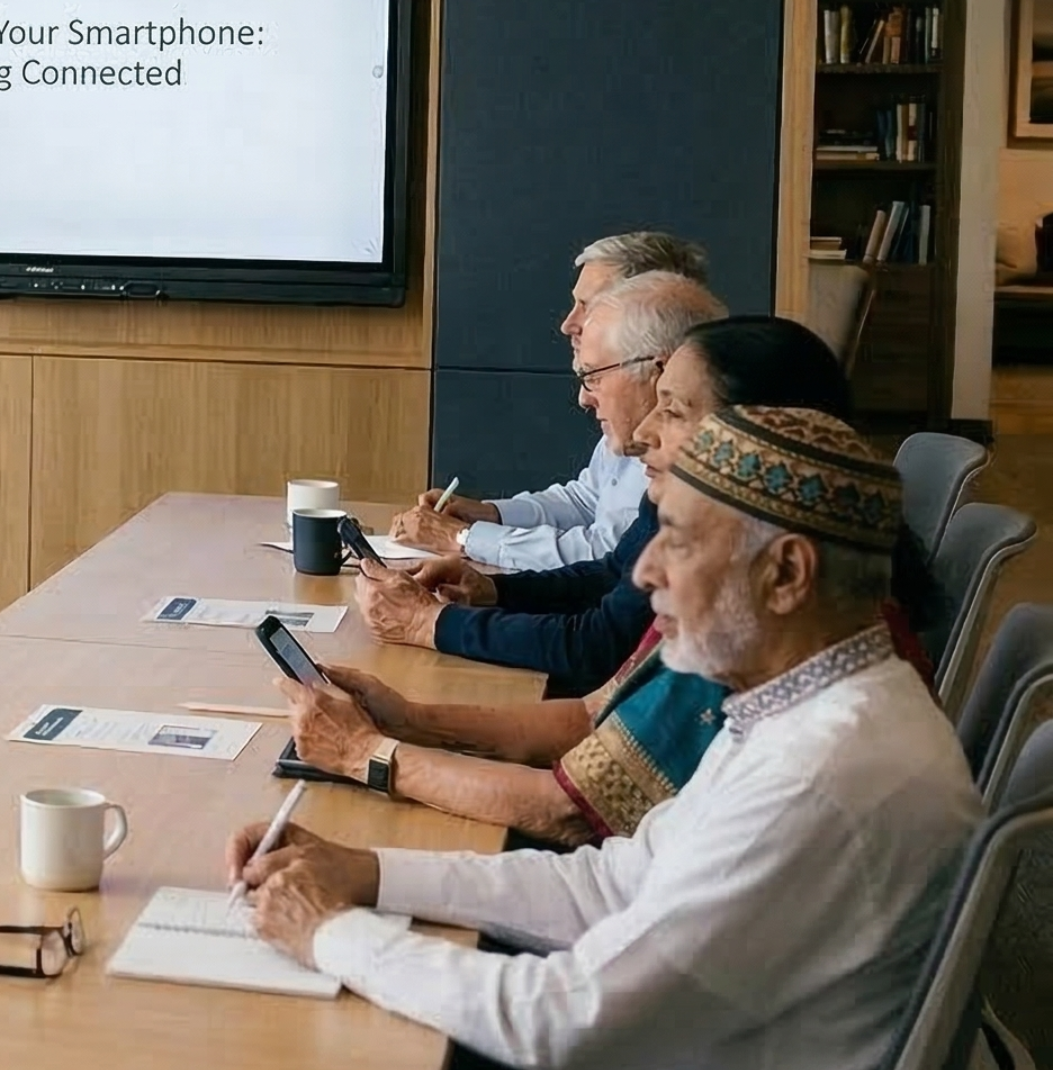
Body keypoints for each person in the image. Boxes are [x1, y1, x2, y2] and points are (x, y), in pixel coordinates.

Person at [227, 407, 976, 1069]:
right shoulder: (804, 702)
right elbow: (615, 881)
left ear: (786, 574)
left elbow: (561, 1022)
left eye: (676, 540)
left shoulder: (821, 773)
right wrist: (368, 872)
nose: (644, 573)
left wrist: (327, 932)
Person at [282, 328, 926, 845]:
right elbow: (595, 715)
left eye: (671, 410)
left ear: (754, 434)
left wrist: (373, 754)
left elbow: (571, 816)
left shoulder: (747, 630)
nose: (644, 429)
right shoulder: (772, 598)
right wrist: (411, 719)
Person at [356, 271, 724, 694]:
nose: (584, 397)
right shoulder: (671, 477)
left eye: (593, 376)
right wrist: (493, 590)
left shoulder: (703, 494)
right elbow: (611, 572)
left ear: (656, 367)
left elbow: (596, 646)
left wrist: (429, 620)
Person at [389, 231, 710, 567]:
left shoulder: (691, 437)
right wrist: (488, 514)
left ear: (649, 307)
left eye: (589, 306)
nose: (568, 324)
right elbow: (587, 500)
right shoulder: (631, 408)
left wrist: (463, 538)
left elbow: (609, 555)